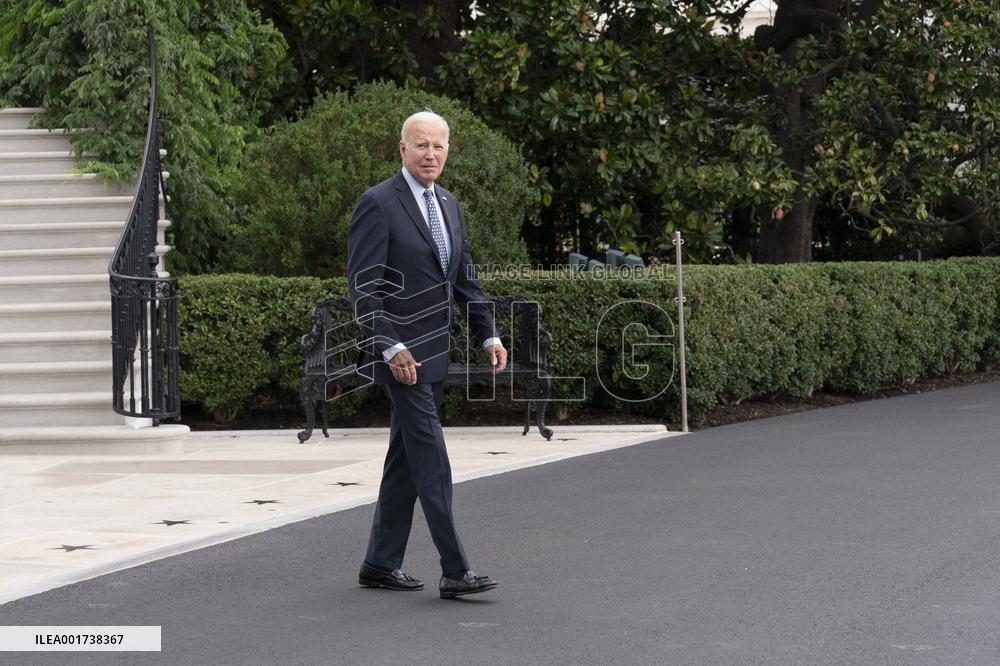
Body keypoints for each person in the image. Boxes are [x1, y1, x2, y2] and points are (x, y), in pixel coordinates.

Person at [347, 111, 507, 599]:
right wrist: (390, 344)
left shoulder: (449, 204)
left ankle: (379, 563)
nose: (430, 154)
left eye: (438, 146)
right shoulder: (378, 203)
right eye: (421, 145)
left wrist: (488, 335)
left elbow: (464, 279)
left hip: (436, 355)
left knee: (405, 461)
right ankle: (455, 569)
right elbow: (363, 289)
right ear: (402, 149)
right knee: (432, 458)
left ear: (448, 150)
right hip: (401, 358)